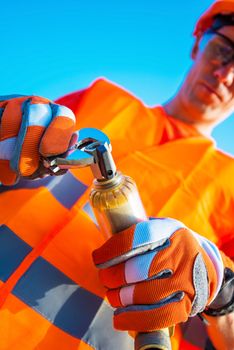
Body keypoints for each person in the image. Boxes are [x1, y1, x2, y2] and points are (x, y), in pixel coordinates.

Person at [0, 0, 233, 349]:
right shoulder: (100, 99)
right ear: (197, 44)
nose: (225, 74)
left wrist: (220, 290)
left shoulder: (229, 183)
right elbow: (15, 157)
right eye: (222, 51)